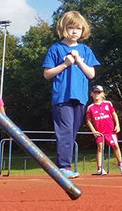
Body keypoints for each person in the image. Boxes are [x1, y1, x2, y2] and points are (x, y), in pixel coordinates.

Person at [42, 11, 99, 179]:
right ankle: (63, 166)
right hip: (62, 97)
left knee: (72, 132)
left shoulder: (85, 50)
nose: (74, 31)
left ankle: (64, 165)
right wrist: (65, 64)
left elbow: (91, 74)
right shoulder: (56, 48)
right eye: (71, 27)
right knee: (65, 131)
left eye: (78, 28)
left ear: (83, 30)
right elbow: (47, 74)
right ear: (63, 28)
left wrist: (79, 61)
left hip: (80, 97)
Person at [85, 85, 122, 175]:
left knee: (115, 146)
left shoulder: (108, 104)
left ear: (102, 94)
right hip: (99, 132)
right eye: (95, 92)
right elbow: (88, 121)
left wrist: (117, 125)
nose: (96, 94)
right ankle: (100, 168)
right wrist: (93, 131)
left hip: (110, 130)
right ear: (91, 94)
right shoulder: (90, 107)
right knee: (100, 148)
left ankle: (120, 164)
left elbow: (114, 114)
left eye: (99, 92)